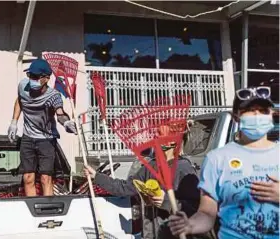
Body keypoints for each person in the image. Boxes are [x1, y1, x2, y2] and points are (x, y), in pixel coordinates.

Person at [168, 86, 279, 239]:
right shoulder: (217, 159)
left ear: (272, 114)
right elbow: (207, 213)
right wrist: (190, 225)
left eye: (263, 110)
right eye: (250, 110)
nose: (257, 115)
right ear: (236, 116)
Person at [83, 126, 209, 239]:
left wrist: (167, 202)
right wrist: (97, 177)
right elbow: (125, 188)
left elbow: (195, 208)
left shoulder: (184, 169)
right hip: (151, 233)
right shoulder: (150, 167)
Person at [7, 58, 77, 197]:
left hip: (46, 139)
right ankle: (32, 209)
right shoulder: (23, 86)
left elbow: (60, 113)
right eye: (30, 75)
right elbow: (20, 100)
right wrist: (14, 122)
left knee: (45, 178)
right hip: (28, 137)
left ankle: (48, 209)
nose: (31, 79)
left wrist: (67, 123)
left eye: (35, 77)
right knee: (28, 178)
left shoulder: (53, 96)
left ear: (46, 78)